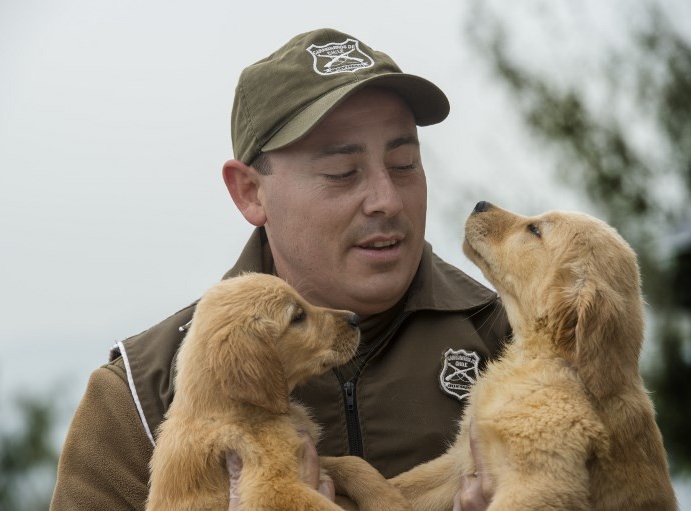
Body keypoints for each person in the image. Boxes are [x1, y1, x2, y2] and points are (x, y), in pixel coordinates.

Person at [50, 28, 509, 510]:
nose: (387, 200)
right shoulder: (136, 400)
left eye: (404, 163)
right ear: (249, 192)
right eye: (342, 173)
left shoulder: (512, 338)